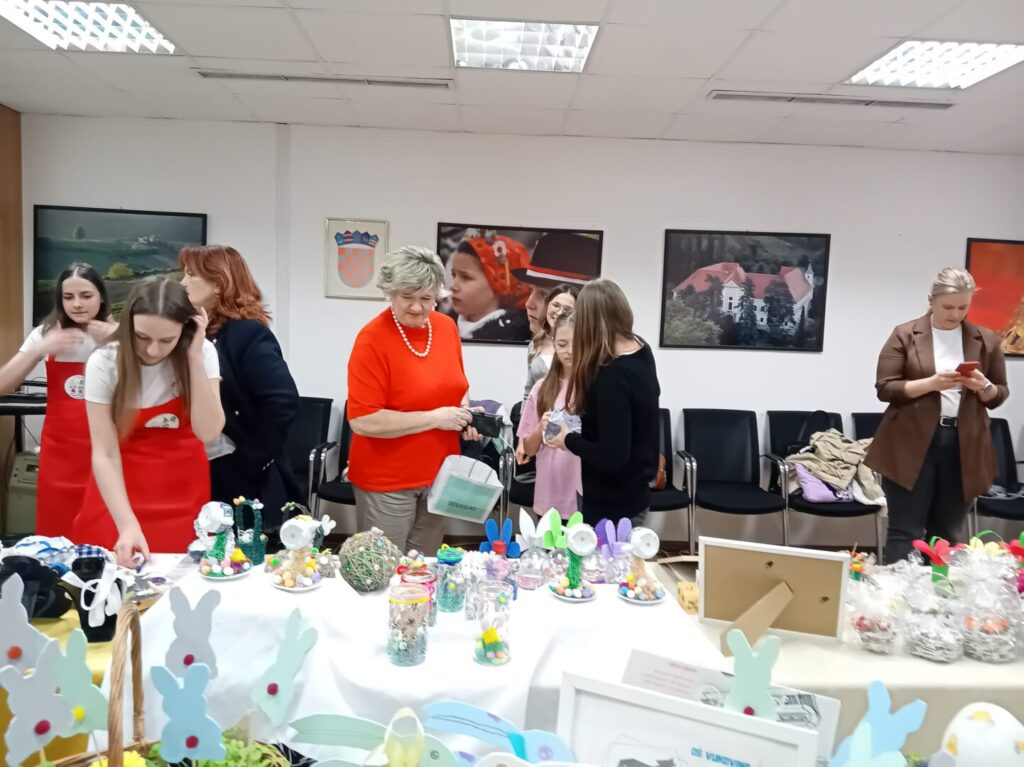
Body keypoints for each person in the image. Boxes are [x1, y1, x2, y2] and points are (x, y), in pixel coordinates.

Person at [71, 278, 224, 566]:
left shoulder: (202, 352)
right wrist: (127, 524)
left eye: (167, 340)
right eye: (142, 337)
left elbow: (209, 431)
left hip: (182, 492)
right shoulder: (105, 361)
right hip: (118, 494)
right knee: (112, 581)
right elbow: (104, 453)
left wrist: (193, 357)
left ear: (186, 329)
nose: (153, 350)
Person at [866, 267, 1008, 563]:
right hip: (909, 442)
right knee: (905, 530)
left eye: (963, 307)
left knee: (947, 534)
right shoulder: (905, 334)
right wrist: (931, 384)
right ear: (931, 300)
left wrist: (983, 386)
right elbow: (885, 388)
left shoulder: (986, 340)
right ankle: (897, 592)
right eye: (948, 307)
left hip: (965, 444)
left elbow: (998, 395)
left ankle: (939, 591)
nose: (955, 314)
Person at [347, 246, 482, 554]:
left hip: (439, 474)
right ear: (390, 292)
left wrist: (464, 413)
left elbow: (457, 385)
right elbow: (363, 420)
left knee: (424, 566)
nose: (417, 307)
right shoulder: (372, 340)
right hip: (387, 480)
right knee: (383, 568)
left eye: (427, 298)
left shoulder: (446, 328)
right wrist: (436, 418)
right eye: (407, 297)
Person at [179, 245, 302, 529]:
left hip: (233, 472)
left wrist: (248, 461)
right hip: (195, 465)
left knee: (231, 549)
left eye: (190, 275)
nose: (183, 283)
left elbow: (282, 402)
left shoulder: (247, 333)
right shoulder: (192, 331)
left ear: (218, 283)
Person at [0, 263, 116, 535]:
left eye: (86, 296)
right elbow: (3, 384)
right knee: (57, 531)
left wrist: (120, 341)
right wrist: (39, 349)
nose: (77, 304)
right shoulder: (46, 334)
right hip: (61, 456)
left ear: (101, 296)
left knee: (104, 532)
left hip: (110, 451)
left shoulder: (122, 334)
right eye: (68, 297)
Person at [543, 279, 660, 525]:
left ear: (588, 322)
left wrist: (568, 440)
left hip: (613, 503)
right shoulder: (641, 348)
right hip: (636, 493)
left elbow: (612, 457)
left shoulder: (613, 376)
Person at [511, 232, 601, 399]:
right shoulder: (535, 344)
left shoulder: (591, 347)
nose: (528, 304)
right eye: (531, 291)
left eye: (543, 295)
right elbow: (528, 392)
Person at [517, 310, 581, 518]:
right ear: (553, 343)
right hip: (550, 495)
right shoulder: (541, 388)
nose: (569, 351)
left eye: (577, 344)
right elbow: (529, 448)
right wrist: (539, 428)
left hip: (585, 496)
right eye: (562, 344)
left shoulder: (595, 386)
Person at [448, 234, 531, 342]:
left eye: (466, 277)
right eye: (454, 275)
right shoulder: (445, 325)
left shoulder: (513, 338)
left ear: (499, 284)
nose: (453, 286)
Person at [521, 285, 578, 402]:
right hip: (538, 410)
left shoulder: (580, 344)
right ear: (547, 305)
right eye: (556, 305)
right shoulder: (535, 344)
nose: (559, 312)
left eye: (567, 309)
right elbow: (529, 390)